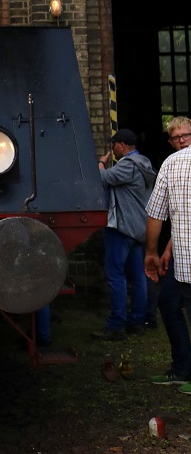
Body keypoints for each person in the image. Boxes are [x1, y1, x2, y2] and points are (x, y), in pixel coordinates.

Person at [92, 128, 156, 341]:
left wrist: (101, 162)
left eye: (114, 146)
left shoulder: (128, 165)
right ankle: (137, 321)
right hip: (138, 229)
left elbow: (102, 178)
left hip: (122, 229)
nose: (113, 150)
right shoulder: (144, 164)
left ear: (121, 145)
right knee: (138, 277)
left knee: (115, 275)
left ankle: (115, 326)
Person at [145, 116, 191, 385]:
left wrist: (150, 251)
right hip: (182, 255)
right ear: (170, 140)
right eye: (177, 137)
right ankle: (182, 367)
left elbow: (155, 215)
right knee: (168, 302)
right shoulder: (171, 163)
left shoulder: (170, 165)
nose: (182, 140)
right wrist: (167, 251)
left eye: (186, 135)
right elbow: (183, 216)